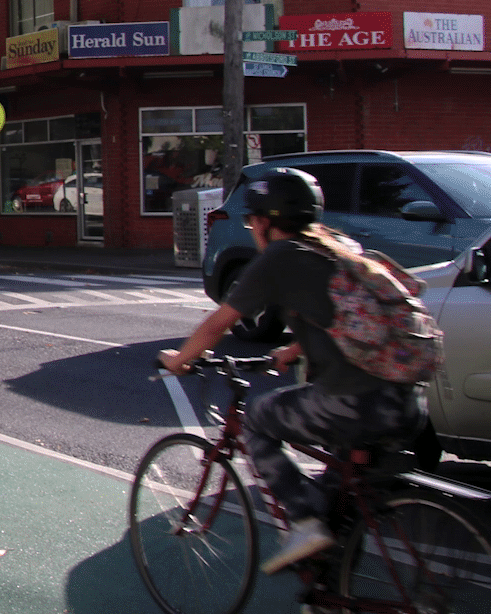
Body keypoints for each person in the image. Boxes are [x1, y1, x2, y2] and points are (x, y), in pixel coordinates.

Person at [160, 167, 426, 574]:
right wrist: (296, 348)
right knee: (340, 509)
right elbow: (351, 320)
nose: (251, 229)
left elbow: (218, 324)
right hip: (404, 403)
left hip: (353, 404)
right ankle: (333, 589)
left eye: (251, 221)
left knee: (259, 420)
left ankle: (302, 522)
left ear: (265, 221)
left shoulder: (280, 258)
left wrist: (179, 360)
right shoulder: (336, 246)